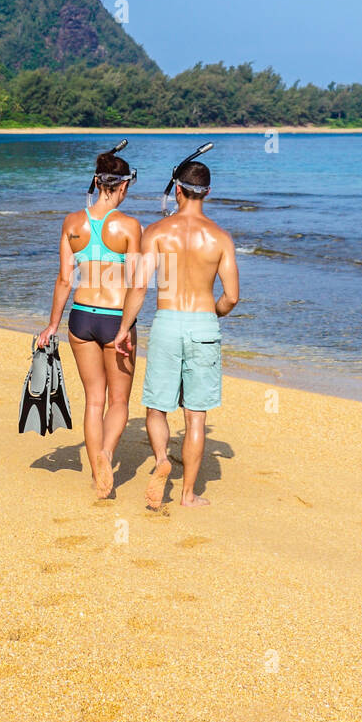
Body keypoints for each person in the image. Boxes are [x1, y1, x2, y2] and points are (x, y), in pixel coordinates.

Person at [111, 161, 239, 508]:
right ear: (208, 193)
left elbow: (139, 287)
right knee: (195, 416)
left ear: (177, 190)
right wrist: (214, 313)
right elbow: (231, 297)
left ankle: (162, 460)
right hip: (203, 324)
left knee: (157, 407)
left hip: (167, 321)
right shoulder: (220, 237)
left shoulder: (156, 232)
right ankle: (187, 495)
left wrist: (124, 328)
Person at [37, 150, 143, 498]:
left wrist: (52, 325)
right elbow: (136, 283)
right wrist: (126, 328)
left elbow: (64, 280)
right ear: (123, 185)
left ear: (97, 182)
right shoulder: (129, 226)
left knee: (94, 400)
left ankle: (96, 467)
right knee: (119, 402)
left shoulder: (72, 223)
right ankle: (106, 455)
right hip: (115, 319)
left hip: (80, 318)